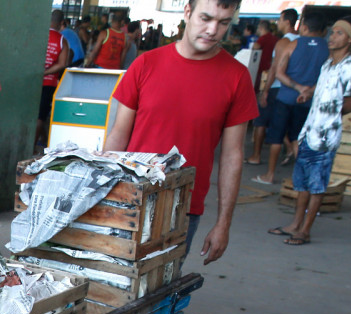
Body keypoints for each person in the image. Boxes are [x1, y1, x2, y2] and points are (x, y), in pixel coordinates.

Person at [103, 0, 258, 265]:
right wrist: (102, 196)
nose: (212, 30)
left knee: (160, 292)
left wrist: (223, 223)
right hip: (130, 199)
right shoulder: (145, 64)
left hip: (183, 208)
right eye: (205, 18)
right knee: (111, 287)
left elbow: (232, 155)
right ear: (187, 12)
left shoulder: (237, 77)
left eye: (223, 23)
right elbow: (118, 136)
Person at [270, 18, 351, 246]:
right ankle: (294, 224)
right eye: (332, 32)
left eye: (339, 33)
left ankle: (305, 230)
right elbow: (321, 89)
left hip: (325, 137)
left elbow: (350, 104)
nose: (332, 37)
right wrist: (308, 94)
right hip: (309, 132)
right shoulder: (328, 63)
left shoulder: (350, 67)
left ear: (349, 39)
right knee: (301, 183)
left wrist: (328, 116)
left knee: (317, 185)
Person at [254, 10, 328, 185]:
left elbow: (279, 72)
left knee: (276, 138)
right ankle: (301, 178)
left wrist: (297, 87)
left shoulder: (292, 45)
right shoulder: (327, 49)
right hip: (307, 101)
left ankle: (270, 175)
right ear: (323, 30)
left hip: (286, 98)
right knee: (297, 138)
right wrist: (308, 91)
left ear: (304, 26)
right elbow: (327, 76)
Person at [245, 19, 279, 165]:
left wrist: (264, 90)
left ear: (261, 27)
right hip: (268, 79)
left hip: (263, 79)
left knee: (261, 120)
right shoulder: (277, 40)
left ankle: (256, 155)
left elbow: (254, 50)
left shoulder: (263, 39)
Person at [39, 10, 71, 144]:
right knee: (41, 117)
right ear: (62, 23)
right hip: (49, 83)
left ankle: (44, 141)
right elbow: (62, 64)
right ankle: (32, 146)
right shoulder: (62, 40)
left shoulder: (39, 35)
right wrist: (45, 73)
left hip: (32, 81)